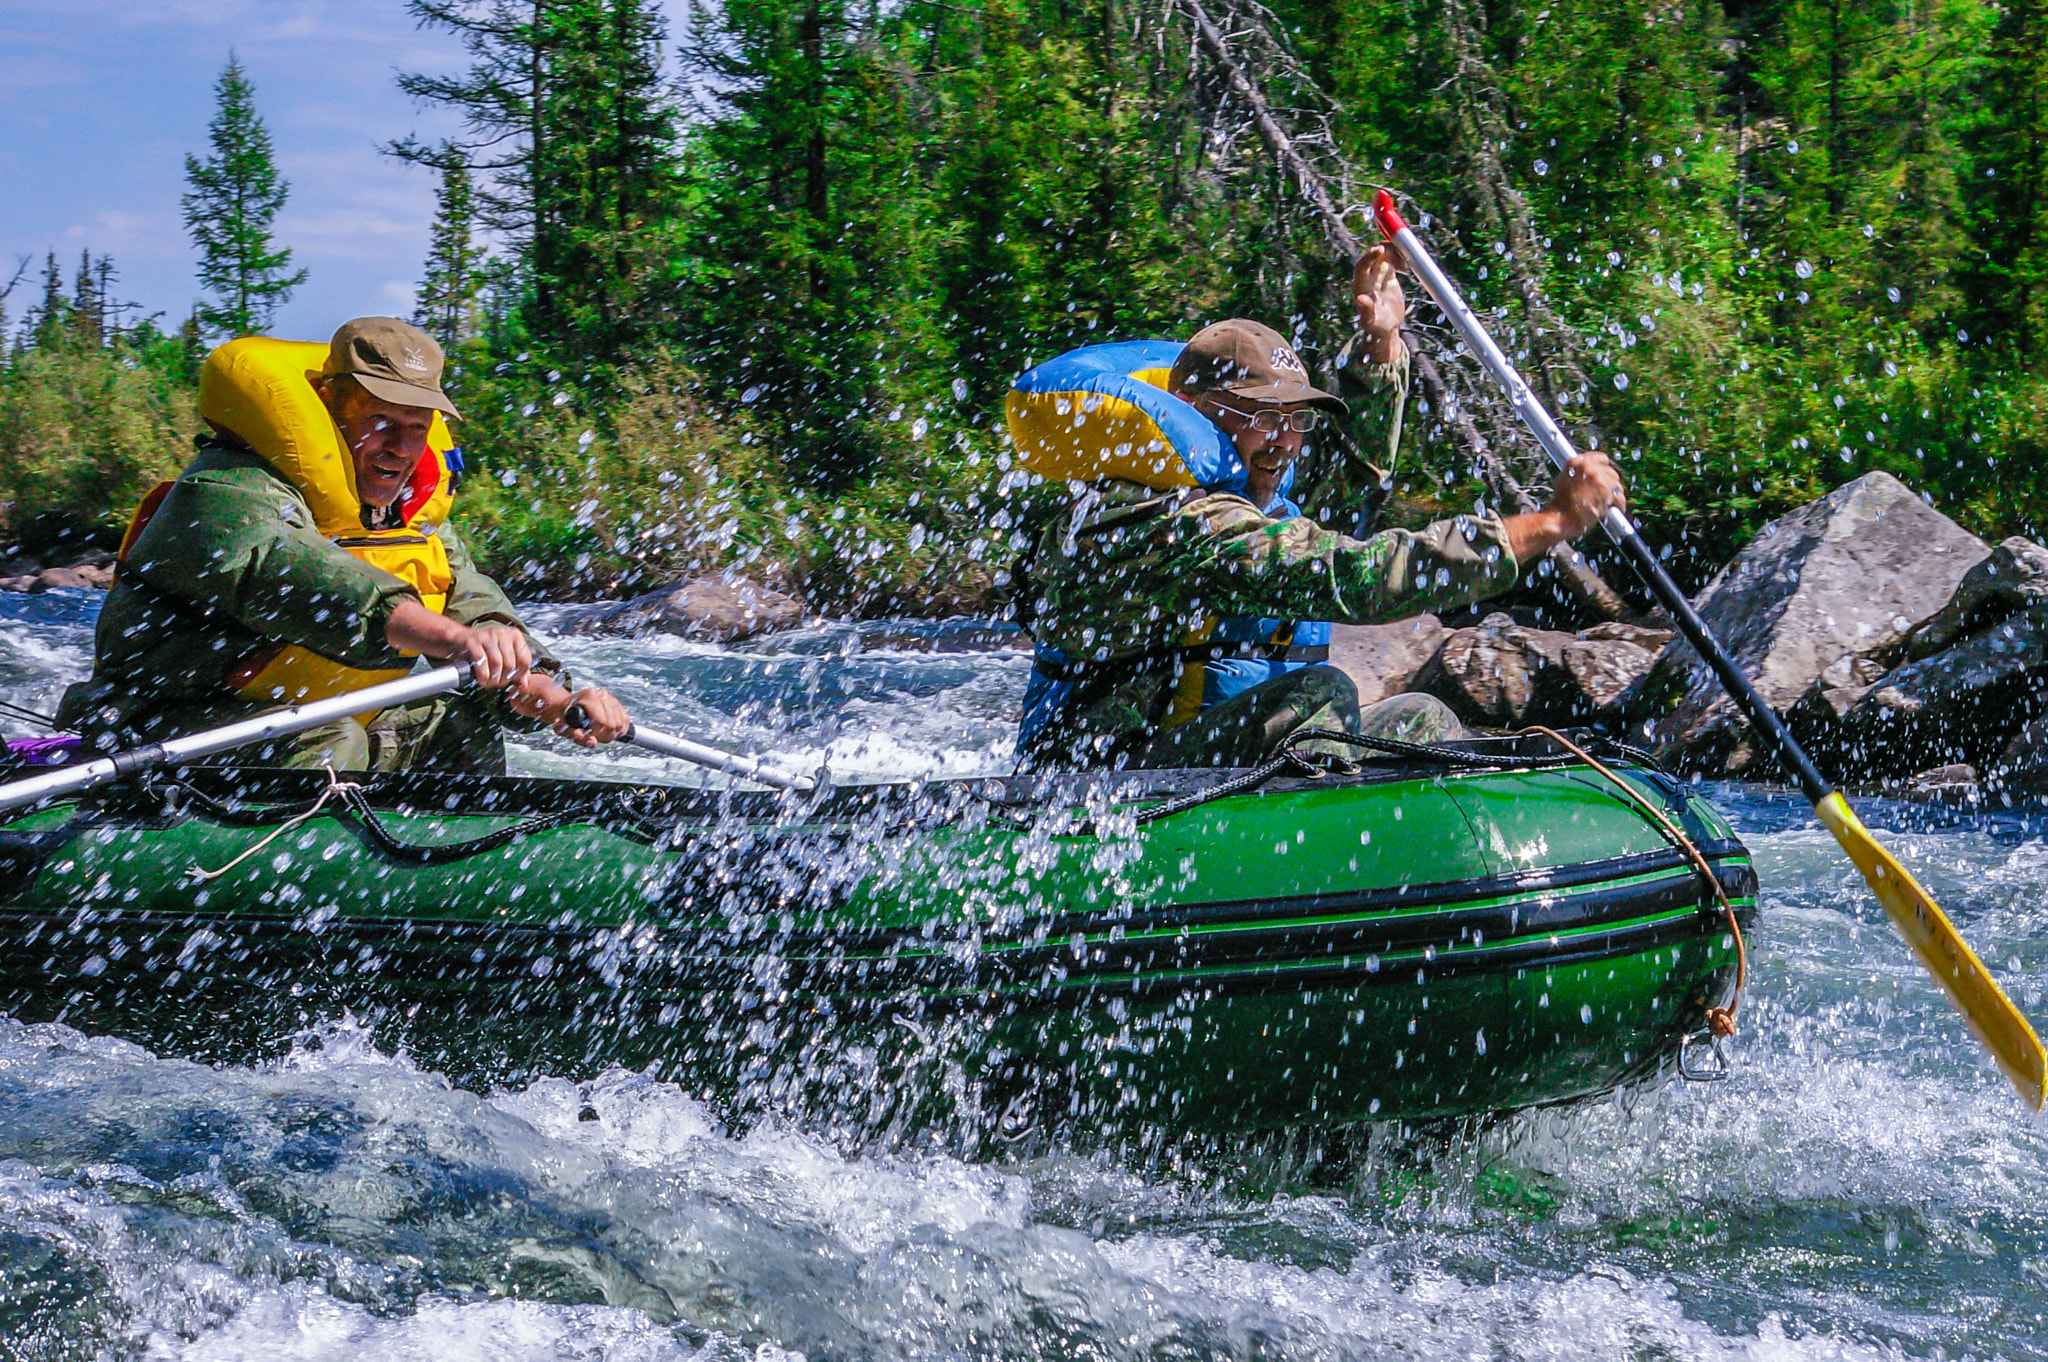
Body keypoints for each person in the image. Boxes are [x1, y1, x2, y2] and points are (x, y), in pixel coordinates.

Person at [1012, 244, 1625, 770]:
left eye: (1295, 419)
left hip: (1205, 762)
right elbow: (1353, 574)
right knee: (1318, 694)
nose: (1283, 440)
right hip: (1106, 782)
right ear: (1191, 407)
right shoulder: (1169, 522)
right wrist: (1550, 524)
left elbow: (1350, 477)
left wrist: (1380, 346)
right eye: (1260, 416)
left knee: (1421, 717)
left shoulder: (1249, 496)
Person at [55, 318, 629, 773]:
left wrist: (549, 694)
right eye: (380, 420)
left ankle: (459, 877)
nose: (400, 448)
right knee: (328, 737)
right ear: (330, 406)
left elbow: (471, 602)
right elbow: (306, 582)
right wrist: (459, 642)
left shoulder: (406, 513)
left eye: (416, 426)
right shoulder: (223, 491)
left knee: (453, 720)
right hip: (155, 724)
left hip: (315, 724)